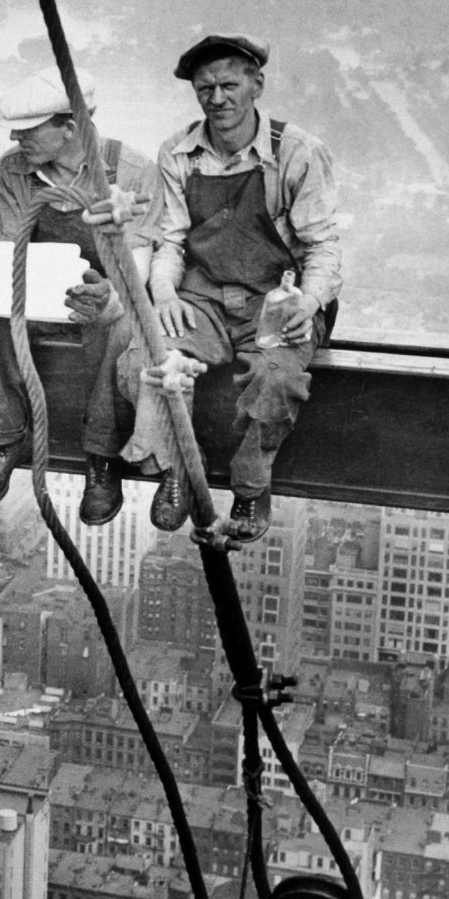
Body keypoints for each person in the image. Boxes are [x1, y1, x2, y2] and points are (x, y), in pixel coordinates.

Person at [123, 34, 341, 544]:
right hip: (205, 297)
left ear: (256, 85)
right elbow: (170, 240)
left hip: (278, 301)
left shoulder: (297, 152)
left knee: (275, 379)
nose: (217, 99)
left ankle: (250, 486)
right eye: (205, 89)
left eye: (228, 85)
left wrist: (307, 303)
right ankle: (177, 467)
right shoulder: (178, 152)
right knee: (151, 361)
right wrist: (165, 295)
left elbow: (323, 248)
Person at [0, 66, 157, 520]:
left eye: (28, 130)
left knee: (117, 323)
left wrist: (108, 295)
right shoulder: (14, 170)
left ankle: (101, 455)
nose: (15, 137)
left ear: (70, 128)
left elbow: (138, 264)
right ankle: (2, 436)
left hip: (104, 291)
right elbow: (7, 243)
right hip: (36, 286)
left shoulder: (131, 171)